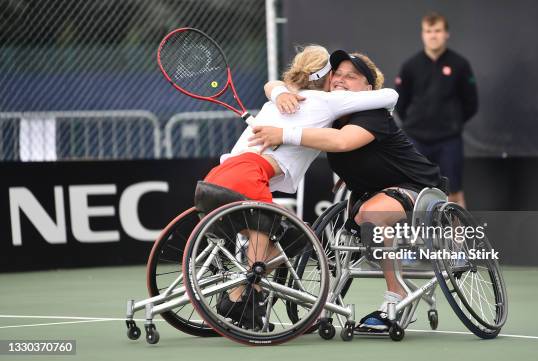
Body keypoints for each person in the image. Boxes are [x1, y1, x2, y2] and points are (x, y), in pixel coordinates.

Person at [200, 45, 399, 328]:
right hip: (245, 176)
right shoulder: (327, 101)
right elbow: (391, 95)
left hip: (213, 179)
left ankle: (234, 299)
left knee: (285, 237)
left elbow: (272, 85)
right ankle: (245, 301)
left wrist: (280, 92)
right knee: (285, 243)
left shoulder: (275, 101)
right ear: (326, 76)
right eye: (336, 74)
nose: (339, 81)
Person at [248, 50, 443, 333]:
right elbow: (276, 85)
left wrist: (283, 134)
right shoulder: (328, 112)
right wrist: (279, 92)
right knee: (361, 214)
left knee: (371, 213)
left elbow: (341, 142)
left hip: (418, 188)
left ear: (368, 88)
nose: (340, 80)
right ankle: (312, 302)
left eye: (351, 76)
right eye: (336, 74)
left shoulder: (373, 114)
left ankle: (396, 296)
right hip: (368, 194)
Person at [394, 12, 478, 208]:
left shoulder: (460, 65)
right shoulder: (410, 66)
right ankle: (417, 238)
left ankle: (458, 238)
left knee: (454, 193)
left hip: (448, 140)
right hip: (416, 140)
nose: (433, 35)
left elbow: (471, 103)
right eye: (428, 31)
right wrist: (416, 123)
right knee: (413, 191)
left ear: (446, 34)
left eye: (437, 31)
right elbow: (401, 103)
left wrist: (452, 122)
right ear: (423, 34)